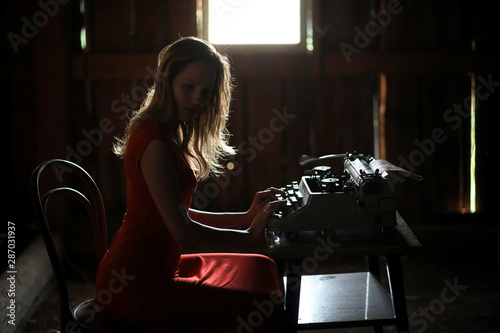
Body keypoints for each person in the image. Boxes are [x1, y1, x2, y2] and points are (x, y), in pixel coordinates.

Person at [95, 36, 287, 332]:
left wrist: (244, 218)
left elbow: (175, 214)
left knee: (262, 268)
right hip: (135, 284)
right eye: (189, 87)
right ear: (166, 82)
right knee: (266, 303)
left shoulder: (168, 133)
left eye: (207, 91)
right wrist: (247, 235)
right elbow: (181, 228)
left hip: (158, 267)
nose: (198, 99)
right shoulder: (155, 142)